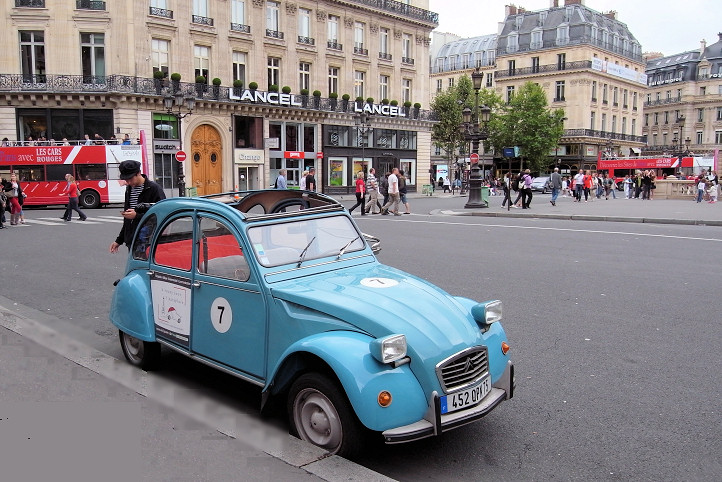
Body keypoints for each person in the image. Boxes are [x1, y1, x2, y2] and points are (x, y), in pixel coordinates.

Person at [109, 160, 166, 253]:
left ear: (138, 173)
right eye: (126, 179)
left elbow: (162, 214)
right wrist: (119, 240)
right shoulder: (129, 189)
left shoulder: (154, 189)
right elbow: (128, 220)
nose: (128, 182)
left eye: (130, 179)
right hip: (132, 240)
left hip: (148, 241)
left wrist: (137, 216)